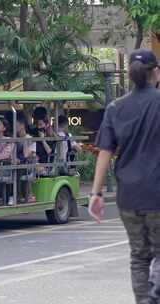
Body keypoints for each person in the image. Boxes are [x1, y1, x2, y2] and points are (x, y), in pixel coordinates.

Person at [89, 49, 160, 304]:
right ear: (156, 73)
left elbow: (104, 153)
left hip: (128, 196)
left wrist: (96, 194)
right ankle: (154, 296)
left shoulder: (115, 108)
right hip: (157, 193)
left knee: (139, 256)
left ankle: (145, 300)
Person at [16, 114, 36, 203]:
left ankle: (22, 195)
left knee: (18, 170)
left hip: (27, 165)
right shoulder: (15, 138)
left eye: (16, 125)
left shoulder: (29, 138)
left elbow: (26, 154)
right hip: (17, 163)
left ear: (22, 125)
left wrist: (24, 141)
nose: (14, 127)